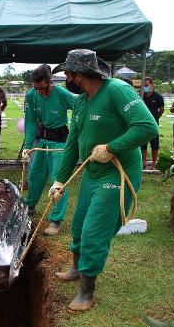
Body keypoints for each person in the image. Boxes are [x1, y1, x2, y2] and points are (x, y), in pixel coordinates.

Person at [49, 49, 158, 312]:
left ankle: (87, 291)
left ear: (79, 74)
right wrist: (59, 180)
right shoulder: (82, 101)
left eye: (67, 73)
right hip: (93, 173)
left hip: (116, 173)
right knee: (78, 226)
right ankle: (76, 267)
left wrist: (111, 148)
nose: (65, 77)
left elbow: (147, 127)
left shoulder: (117, 91)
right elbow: (72, 143)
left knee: (93, 231)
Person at [22, 65, 75, 236]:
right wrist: (28, 146)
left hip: (59, 142)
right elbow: (30, 122)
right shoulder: (31, 95)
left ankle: (55, 220)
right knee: (35, 174)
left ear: (50, 81)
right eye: (36, 89)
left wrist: (77, 132)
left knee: (58, 179)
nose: (40, 93)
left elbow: (81, 109)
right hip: (43, 140)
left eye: (43, 89)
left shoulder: (62, 94)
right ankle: (29, 206)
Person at [141, 77, 164, 169]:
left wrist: (155, 118)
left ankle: (154, 163)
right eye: (143, 86)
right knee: (142, 144)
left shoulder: (158, 96)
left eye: (146, 85)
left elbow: (161, 110)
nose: (145, 87)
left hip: (153, 124)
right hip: (142, 124)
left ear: (151, 85)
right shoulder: (140, 96)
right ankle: (143, 162)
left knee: (154, 144)